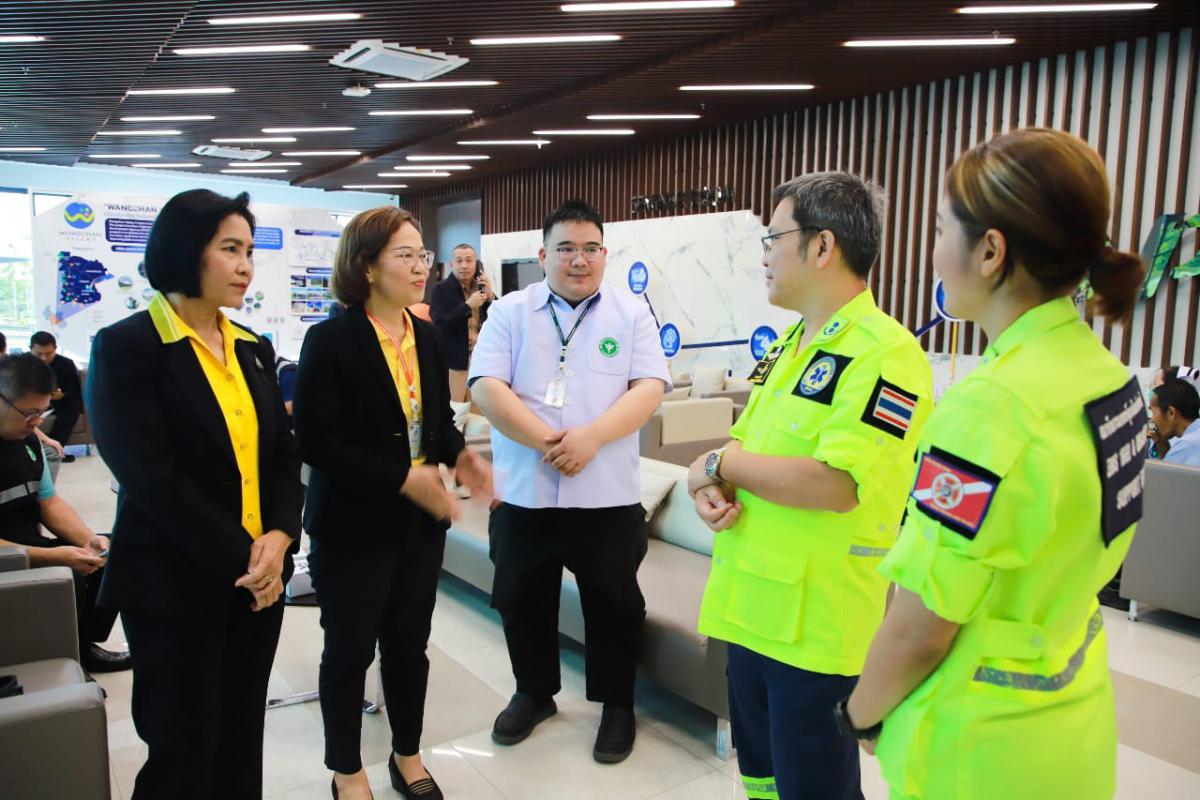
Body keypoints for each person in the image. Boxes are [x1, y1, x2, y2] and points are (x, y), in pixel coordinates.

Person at [842, 128, 1147, 800]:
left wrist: (859, 713)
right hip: (1070, 727)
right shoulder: (1108, 380)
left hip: (979, 748)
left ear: (989, 251)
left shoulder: (992, 411)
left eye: (938, 229)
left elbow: (923, 627)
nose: (931, 252)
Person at [687, 172, 933, 800]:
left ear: (822, 245)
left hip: (814, 631)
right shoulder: (791, 344)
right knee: (763, 783)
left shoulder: (886, 353)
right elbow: (742, 444)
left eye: (773, 238)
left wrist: (718, 466)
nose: (764, 255)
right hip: (748, 612)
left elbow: (836, 484)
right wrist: (709, 480)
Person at [87, 189, 303, 799]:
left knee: (241, 739)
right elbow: (152, 479)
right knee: (183, 751)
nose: (245, 266)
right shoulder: (127, 347)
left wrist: (280, 537)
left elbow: (282, 456)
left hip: (259, 580)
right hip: (175, 585)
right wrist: (251, 561)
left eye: (250, 251)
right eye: (230, 249)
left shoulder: (252, 348)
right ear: (186, 251)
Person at [293, 206, 492, 800]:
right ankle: (346, 770)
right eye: (405, 255)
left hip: (417, 526)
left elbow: (436, 422)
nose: (420, 266)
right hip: (351, 527)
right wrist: (402, 478)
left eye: (421, 254)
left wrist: (461, 456)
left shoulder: (424, 335)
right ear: (366, 266)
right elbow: (315, 441)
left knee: (408, 648)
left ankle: (407, 754)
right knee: (349, 651)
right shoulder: (330, 340)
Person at [469, 199, 670, 763]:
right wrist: (547, 442)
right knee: (520, 599)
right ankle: (534, 693)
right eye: (565, 248)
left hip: (606, 495)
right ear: (543, 255)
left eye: (589, 248)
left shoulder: (632, 313)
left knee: (615, 606)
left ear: (604, 254)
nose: (578, 260)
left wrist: (591, 439)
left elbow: (649, 388)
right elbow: (486, 387)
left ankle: (617, 705)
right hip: (525, 493)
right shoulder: (510, 312)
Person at [0, 353, 129, 672]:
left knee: (115, 552)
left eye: (41, 413)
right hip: (6, 558)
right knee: (69, 570)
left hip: (26, 543)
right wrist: (51, 557)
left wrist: (87, 539)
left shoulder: (28, 442)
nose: (37, 423)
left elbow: (49, 502)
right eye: (29, 414)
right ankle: (58, 657)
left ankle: (81, 647)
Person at [431, 243, 493, 402]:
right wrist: (467, 306)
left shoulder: (481, 288)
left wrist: (491, 296)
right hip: (454, 362)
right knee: (455, 409)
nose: (464, 265)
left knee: (478, 409)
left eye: (469, 260)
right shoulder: (440, 289)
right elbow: (439, 325)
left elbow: (498, 318)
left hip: (480, 359)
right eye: (459, 261)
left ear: (476, 264)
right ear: (451, 264)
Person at [30, 330, 83, 462]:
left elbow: (74, 390)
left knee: (74, 406)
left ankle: (54, 451)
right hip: (30, 403)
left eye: (48, 353)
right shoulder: (21, 364)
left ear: (55, 349)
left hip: (59, 403)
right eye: (39, 354)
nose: (44, 358)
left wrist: (62, 395)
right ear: (30, 349)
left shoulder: (66, 364)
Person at [1150, 378, 1200, 466]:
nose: (1152, 420)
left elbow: (1162, 473)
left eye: (1153, 413)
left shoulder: (1185, 446)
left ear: (1171, 413)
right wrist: (1159, 441)